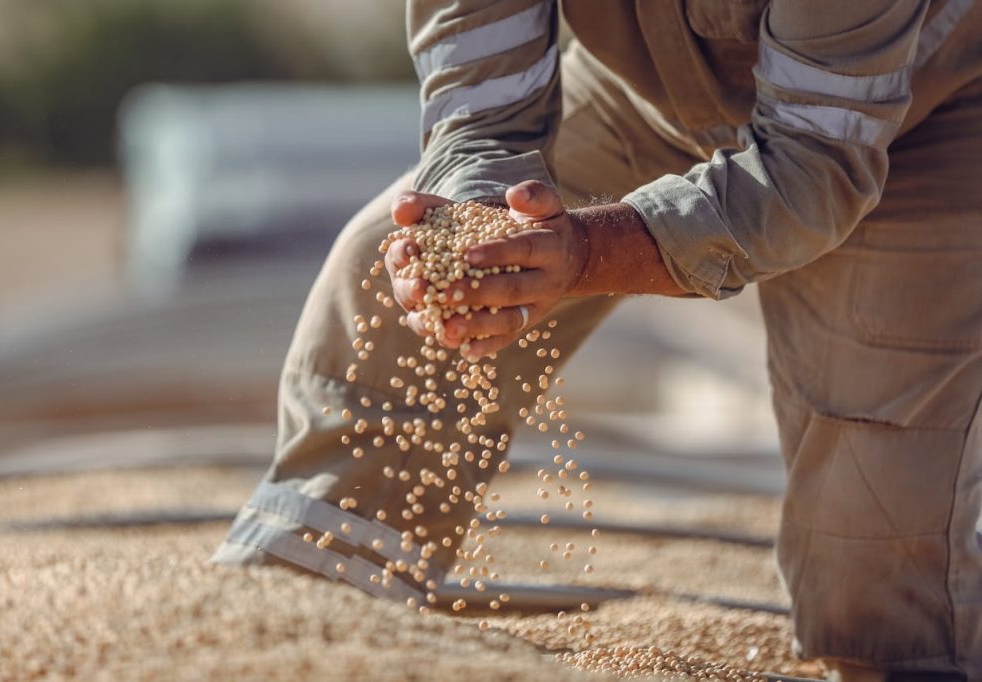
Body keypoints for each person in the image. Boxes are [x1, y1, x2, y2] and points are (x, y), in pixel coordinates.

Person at [212, 1, 982, 678]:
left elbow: (815, 163)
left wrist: (587, 252)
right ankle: (291, 617)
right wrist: (475, 232)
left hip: (909, 120)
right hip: (643, 96)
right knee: (384, 287)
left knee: (876, 559)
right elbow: (484, 114)